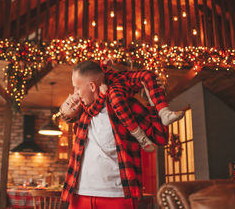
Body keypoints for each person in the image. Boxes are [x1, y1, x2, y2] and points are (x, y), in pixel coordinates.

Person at [60, 60, 169, 209]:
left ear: (92, 86)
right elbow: (67, 114)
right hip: (80, 195)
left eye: (77, 87)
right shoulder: (83, 113)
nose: (75, 93)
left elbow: (161, 137)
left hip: (117, 196)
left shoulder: (126, 106)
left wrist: (154, 103)